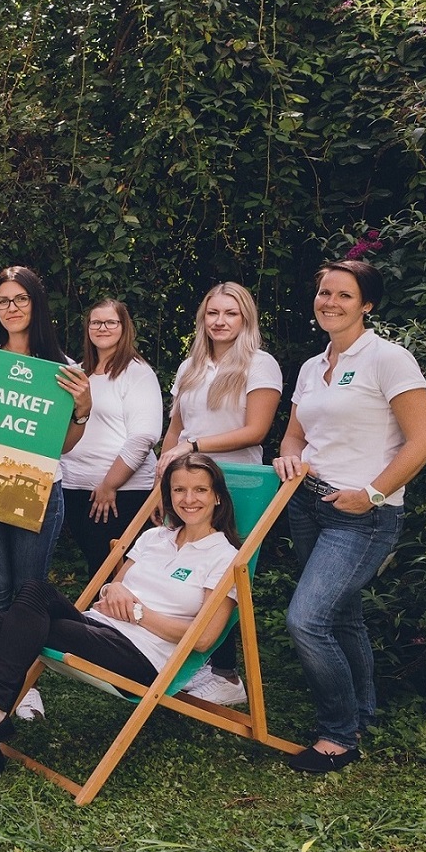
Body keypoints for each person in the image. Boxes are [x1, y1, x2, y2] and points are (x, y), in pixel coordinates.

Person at [0, 453, 241, 780]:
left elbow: (204, 637)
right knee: (34, 590)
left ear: (217, 496)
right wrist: (111, 592)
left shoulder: (225, 557)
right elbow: (113, 589)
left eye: (200, 490)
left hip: (142, 655)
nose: (188, 499)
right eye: (179, 490)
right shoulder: (155, 538)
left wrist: (138, 613)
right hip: (97, 626)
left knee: (14, 624)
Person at [274, 259, 426, 773]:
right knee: (342, 614)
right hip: (308, 503)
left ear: (366, 304)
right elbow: (297, 435)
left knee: (307, 619)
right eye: (324, 292)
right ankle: (362, 712)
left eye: (344, 295)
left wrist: (371, 493)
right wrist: (288, 456)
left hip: (362, 514)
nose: (331, 302)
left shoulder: (388, 359)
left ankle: (339, 734)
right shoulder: (310, 366)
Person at [0, 266, 93, 720]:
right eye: (2, 301)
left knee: (27, 592)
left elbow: (62, 447)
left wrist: (81, 411)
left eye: (20, 299)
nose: (11, 308)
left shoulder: (63, 369)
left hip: (38, 488)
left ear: (36, 305)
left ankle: (25, 686)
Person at [157, 282, 282, 706]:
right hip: (187, 480)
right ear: (202, 318)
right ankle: (186, 660)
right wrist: (164, 473)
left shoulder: (260, 363)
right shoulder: (189, 366)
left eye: (230, 313)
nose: (220, 321)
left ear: (245, 318)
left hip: (236, 483)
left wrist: (192, 447)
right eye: (213, 313)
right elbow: (175, 429)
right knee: (183, 562)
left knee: (224, 571)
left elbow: (256, 430)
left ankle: (226, 675)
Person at [60, 299, 164, 576]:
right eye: (96, 322)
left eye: (110, 322)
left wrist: (109, 484)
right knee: (97, 568)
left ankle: (110, 619)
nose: (102, 328)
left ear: (124, 327)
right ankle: (95, 618)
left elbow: (144, 437)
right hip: (74, 487)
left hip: (119, 492)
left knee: (116, 570)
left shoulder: (137, 373)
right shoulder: (79, 374)